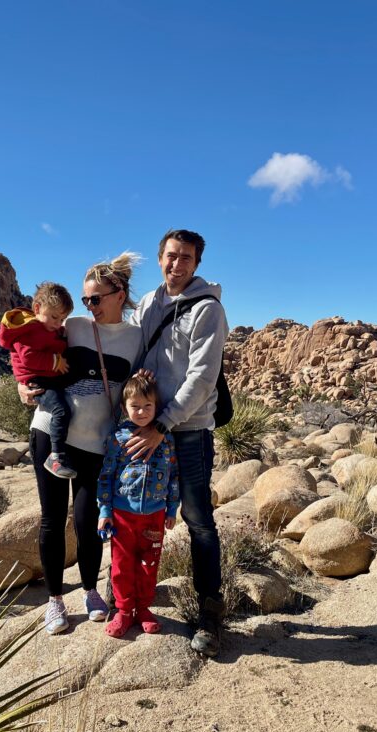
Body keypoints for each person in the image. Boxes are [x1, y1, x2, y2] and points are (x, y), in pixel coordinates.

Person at [19, 253, 144, 635]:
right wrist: (22, 384)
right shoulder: (71, 326)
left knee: (89, 520)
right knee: (53, 518)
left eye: (95, 298)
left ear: (119, 295)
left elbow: (139, 387)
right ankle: (55, 600)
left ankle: (91, 591)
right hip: (51, 433)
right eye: (86, 299)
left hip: (97, 442)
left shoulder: (136, 338)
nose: (89, 306)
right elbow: (24, 347)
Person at [127, 229, 229, 657]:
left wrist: (163, 424)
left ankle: (210, 610)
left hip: (185, 430)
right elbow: (129, 349)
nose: (177, 264)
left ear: (196, 264)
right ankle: (129, 596)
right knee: (133, 509)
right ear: (159, 258)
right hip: (146, 425)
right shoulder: (149, 304)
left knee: (197, 517)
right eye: (171, 255)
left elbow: (202, 378)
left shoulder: (208, 309)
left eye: (186, 257)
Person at [97, 371, 179, 638]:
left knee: (149, 563)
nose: (142, 411)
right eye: (135, 406)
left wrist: (171, 509)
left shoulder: (165, 437)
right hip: (122, 515)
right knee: (121, 565)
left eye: (147, 406)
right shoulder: (118, 438)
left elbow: (173, 475)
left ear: (156, 407)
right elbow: (106, 475)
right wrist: (105, 510)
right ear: (124, 408)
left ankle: (143, 608)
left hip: (154, 515)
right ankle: (124, 610)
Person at [0, 283, 78, 479]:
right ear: (37, 308)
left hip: (47, 378)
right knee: (61, 410)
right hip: (38, 382)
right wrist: (55, 361)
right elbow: (29, 358)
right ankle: (56, 457)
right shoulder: (31, 330)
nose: (57, 323)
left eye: (62, 319)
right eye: (54, 317)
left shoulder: (46, 329)